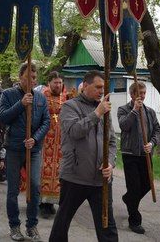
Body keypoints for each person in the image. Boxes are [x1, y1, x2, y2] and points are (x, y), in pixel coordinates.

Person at [49, 70, 118, 242]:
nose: (101, 91)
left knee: (107, 226)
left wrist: (110, 163)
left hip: (100, 179)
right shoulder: (70, 106)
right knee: (62, 222)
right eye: (98, 87)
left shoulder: (104, 109)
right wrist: (97, 114)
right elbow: (74, 131)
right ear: (85, 85)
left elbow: (111, 142)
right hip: (75, 176)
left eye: (103, 88)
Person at [0, 62, 50, 242]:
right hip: (14, 148)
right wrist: (21, 104)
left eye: (35, 77)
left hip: (33, 149)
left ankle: (32, 226)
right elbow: (3, 117)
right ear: (20, 76)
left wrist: (35, 138)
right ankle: (14, 226)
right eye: (29, 77)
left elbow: (46, 122)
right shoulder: (8, 94)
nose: (32, 80)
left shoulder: (41, 98)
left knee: (35, 186)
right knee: (13, 189)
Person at [117, 81, 160, 234]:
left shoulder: (150, 112)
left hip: (145, 155)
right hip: (130, 154)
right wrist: (134, 110)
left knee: (148, 184)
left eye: (144, 93)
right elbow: (124, 126)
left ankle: (129, 199)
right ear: (132, 94)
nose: (142, 96)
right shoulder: (123, 109)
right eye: (139, 93)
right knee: (134, 188)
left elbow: (157, 130)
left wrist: (152, 143)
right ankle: (135, 220)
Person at [38, 71, 67, 218]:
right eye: (55, 82)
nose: (58, 85)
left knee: (57, 172)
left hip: (60, 142)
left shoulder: (65, 97)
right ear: (49, 83)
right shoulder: (42, 96)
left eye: (60, 82)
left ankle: (51, 203)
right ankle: (42, 203)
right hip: (45, 141)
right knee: (44, 171)